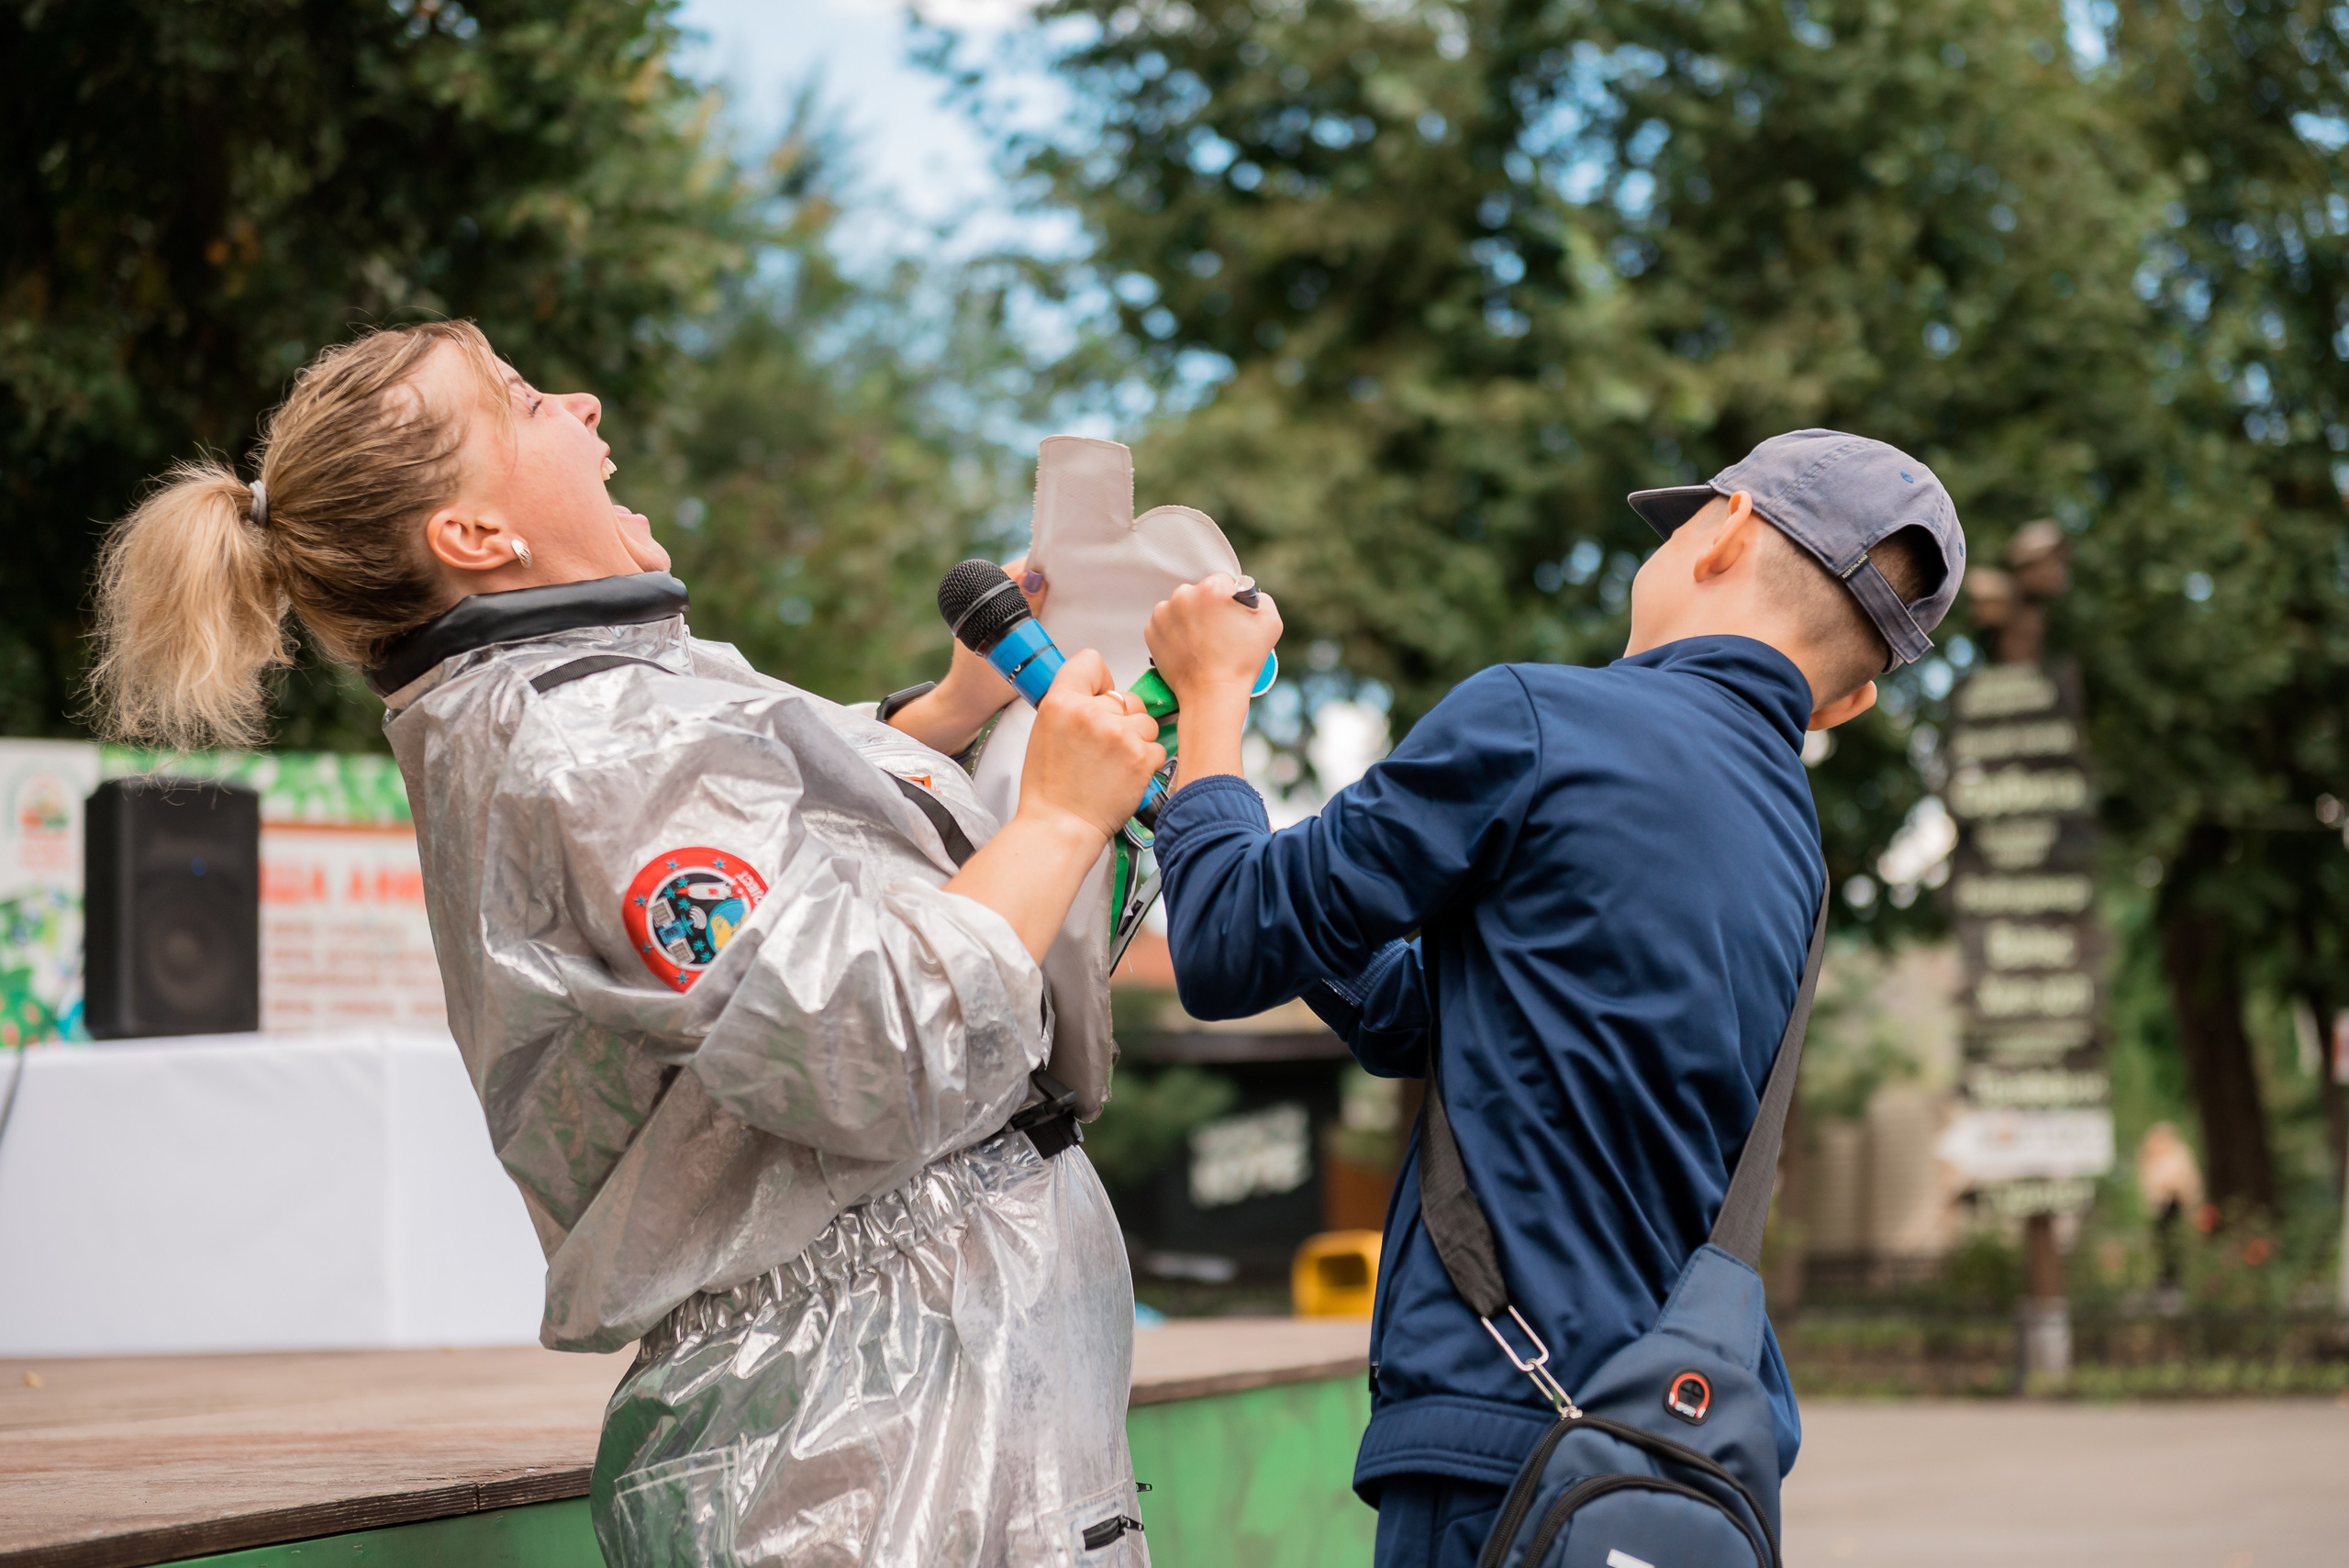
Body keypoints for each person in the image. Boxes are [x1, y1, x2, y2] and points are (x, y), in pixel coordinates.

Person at [88, 320, 1162, 1566]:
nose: (586, 406)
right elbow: (866, 1039)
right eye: (528, 399)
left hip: (906, 1388)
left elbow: (785, 856)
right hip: (865, 1431)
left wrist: (949, 715)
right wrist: (1065, 812)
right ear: (477, 537)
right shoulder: (584, 746)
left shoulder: (588, 702)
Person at [1142, 430, 1965, 1567]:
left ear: (1723, 530)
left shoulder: (1537, 719)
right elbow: (1414, 1016)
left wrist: (1213, 698)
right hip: (1667, 1460)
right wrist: (1192, 798)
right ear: (1848, 703)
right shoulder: (1792, 856)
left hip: (1507, 1441)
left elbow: (1230, 941)